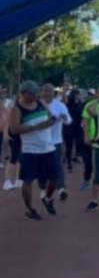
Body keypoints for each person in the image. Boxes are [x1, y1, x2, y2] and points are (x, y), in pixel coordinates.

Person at [8, 81, 61, 221]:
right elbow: (14, 130)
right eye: (30, 93)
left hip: (48, 147)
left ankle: (48, 198)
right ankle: (29, 208)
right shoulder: (17, 109)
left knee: (55, 177)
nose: (33, 95)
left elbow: (50, 118)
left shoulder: (41, 103)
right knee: (28, 180)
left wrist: (53, 121)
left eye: (34, 93)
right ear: (22, 93)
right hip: (30, 150)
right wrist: (37, 126)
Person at [38, 84, 71, 201]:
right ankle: (42, 189)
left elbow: (68, 121)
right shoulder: (37, 105)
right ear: (41, 92)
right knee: (42, 166)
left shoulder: (60, 105)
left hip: (55, 141)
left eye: (50, 91)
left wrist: (65, 118)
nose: (48, 94)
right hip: (40, 141)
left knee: (57, 165)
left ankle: (61, 188)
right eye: (45, 91)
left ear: (54, 93)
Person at [79, 86, 99, 191]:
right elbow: (85, 121)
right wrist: (86, 135)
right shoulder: (90, 105)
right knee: (88, 160)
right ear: (96, 93)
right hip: (93, 135)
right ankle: (86, 180)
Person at [63, 90, 85, 172]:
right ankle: (69, 162)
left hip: (78, 128)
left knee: (80, 143)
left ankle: (76, 157)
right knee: (69, 145)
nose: (80, 96)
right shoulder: (69, 103)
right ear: (75, 95)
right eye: (79, 94)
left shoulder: (80, 104)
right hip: (69, 127)